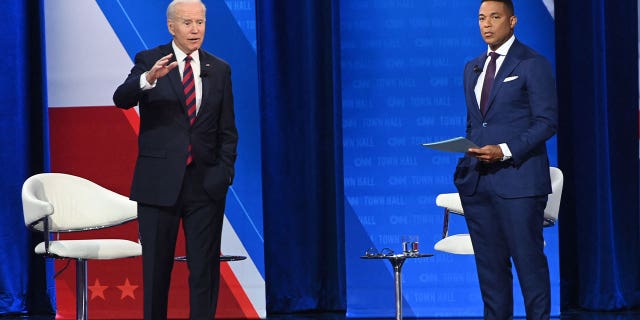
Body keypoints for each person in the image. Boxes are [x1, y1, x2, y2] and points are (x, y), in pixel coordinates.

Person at [113, 0, 238, 318]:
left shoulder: (219, 69)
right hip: (158, 185)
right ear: (171, 26)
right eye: (187, 23)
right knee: (156, 272)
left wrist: (223, 175)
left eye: (200, 22)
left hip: (205, 186)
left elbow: (227, 130)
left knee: (204, 272)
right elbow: (121, 98)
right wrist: (149, 79)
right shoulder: (150, 60)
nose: (195, 29)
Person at [454, 0, 558, 319]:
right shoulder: (472, 67)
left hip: (519, 182)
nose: (486, 24)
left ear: (512, 21)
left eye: (494, 17)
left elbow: (547, 121)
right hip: (478, 184)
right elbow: (476, 124)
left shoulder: (531, 63)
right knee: (491, 278)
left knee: (530, 270)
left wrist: (505, 149)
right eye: (481, 18)